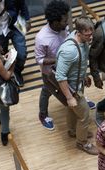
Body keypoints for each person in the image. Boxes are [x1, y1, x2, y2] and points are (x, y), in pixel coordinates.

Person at [55, 17, 98, 155]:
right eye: (87, 34)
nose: (90, 37)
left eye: (91, 33)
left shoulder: (82, 41)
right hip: (72, 90)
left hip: (78, 83)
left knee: (72, 110)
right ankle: (82, 143)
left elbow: (79, 62)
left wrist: (84, 76)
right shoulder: (69, 51)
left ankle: (73, 131)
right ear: (78, 33)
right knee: (85, 115)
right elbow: (60, 77)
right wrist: (69, 97)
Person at [35, 0, 70, 130]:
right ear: (55, 22)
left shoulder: (63, 28)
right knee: (47, 90)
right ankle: (43, 115)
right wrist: (59, 59)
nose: (67, 23)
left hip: (66, 67)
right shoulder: (41, 37)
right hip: (50, 73)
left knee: (71, 87)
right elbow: (39, 59)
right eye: (64, 20)